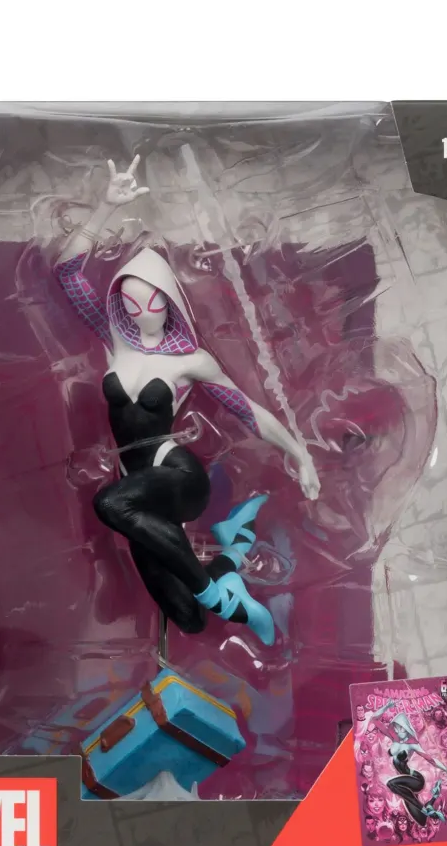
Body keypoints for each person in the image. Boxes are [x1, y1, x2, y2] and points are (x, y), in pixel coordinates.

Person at [53, 157, 319, 646]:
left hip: (176, 477)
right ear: (119, 303)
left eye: (154, 303)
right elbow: (68, 274)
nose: (143, 314)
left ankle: (222, 598)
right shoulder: (115, 342)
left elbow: (247, 410)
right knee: (186, 618)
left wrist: (298, 452)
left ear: (171, 301)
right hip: (136, 489)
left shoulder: (189, 360)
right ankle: (231, 551)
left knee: (108, 503)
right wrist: (106, 207)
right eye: (131, 304)